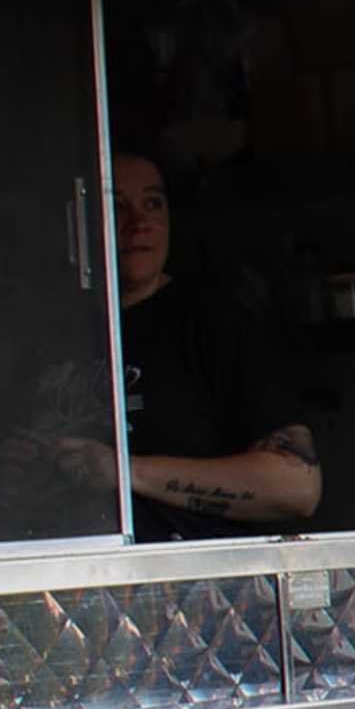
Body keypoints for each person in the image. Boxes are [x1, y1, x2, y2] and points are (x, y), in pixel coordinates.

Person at [37, 150, 320, 538]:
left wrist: (125, 472)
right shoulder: (46, 332)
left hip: (197, 585)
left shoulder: (214, 320)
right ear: (78, 224)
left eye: (153, 203)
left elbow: (298, 488)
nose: (138, 224)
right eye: (115, 207)